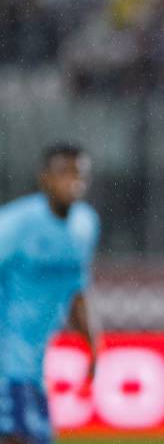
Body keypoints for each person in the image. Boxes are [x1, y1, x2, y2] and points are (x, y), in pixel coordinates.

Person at [0, 144, 101, 444]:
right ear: (44, 178)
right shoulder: (14, 224)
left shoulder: (85, 225)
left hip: (32, 366)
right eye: (63, 173)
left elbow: (76, 289)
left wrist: (93, 344)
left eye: (78, 173)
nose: (72, 181)